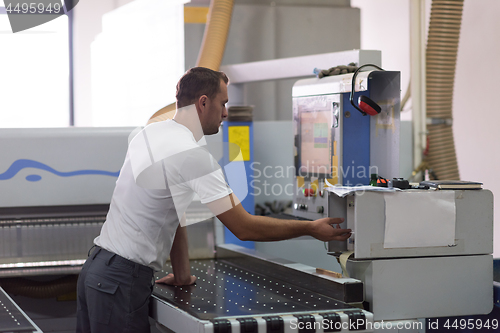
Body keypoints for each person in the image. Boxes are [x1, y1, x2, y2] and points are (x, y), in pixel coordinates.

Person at [76, 67, 351, 333]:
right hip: (122, 280)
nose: (226, 113)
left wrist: (182, 274)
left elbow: (173, 212)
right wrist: (310, 228)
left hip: (96, 271)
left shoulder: (147, 134)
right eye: (223, 104)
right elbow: (244, 228)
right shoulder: (192, 156)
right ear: (203, 103)